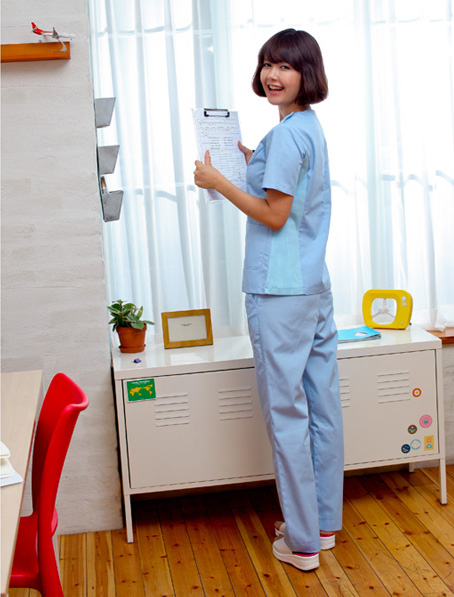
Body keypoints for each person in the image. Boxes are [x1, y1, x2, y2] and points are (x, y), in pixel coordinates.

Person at [194, 28, 343, 572]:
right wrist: (254, 162)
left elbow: (275, 216)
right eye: (268, 64)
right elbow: (295, 198)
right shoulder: (306, 127)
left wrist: (218, 180)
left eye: (286, 66)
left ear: (307, 73)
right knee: (322, 406)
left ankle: (301, 544)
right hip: (312, 285)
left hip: (279, 291)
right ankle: (322, 524)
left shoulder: (286, 137)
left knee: (287, 415)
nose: (273, 75)